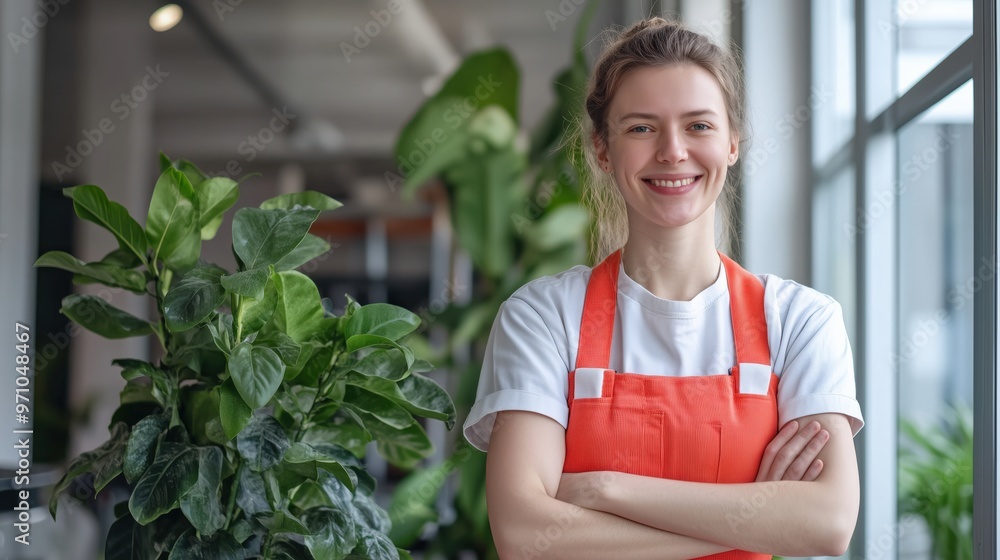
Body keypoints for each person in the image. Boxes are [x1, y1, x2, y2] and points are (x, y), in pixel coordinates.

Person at [462, 16, 865, 560]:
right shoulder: (543, 316)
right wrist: (754, 516)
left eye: (698, 125)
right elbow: (527, 536)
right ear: (603, 151)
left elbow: (828, 523)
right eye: (641, 128)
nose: (673, 151)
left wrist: (606, 490)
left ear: (733, 143)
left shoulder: (799, 320)